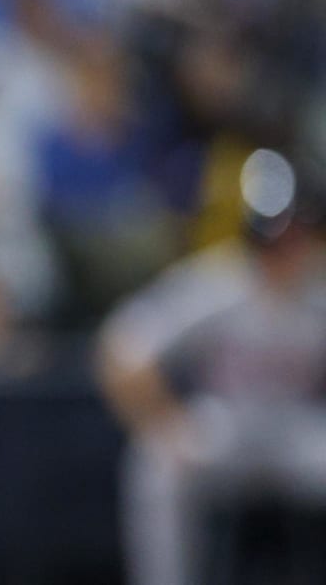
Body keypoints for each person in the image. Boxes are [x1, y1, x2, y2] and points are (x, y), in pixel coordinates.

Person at [96, 147, 326, 585]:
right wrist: (164, 421)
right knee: (157, 463)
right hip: (228, 424)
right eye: (277, 237)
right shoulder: (220, 283)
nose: (288, 247)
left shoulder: (319, 288)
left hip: (299, 429)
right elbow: (121, 348)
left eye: (298, 233)